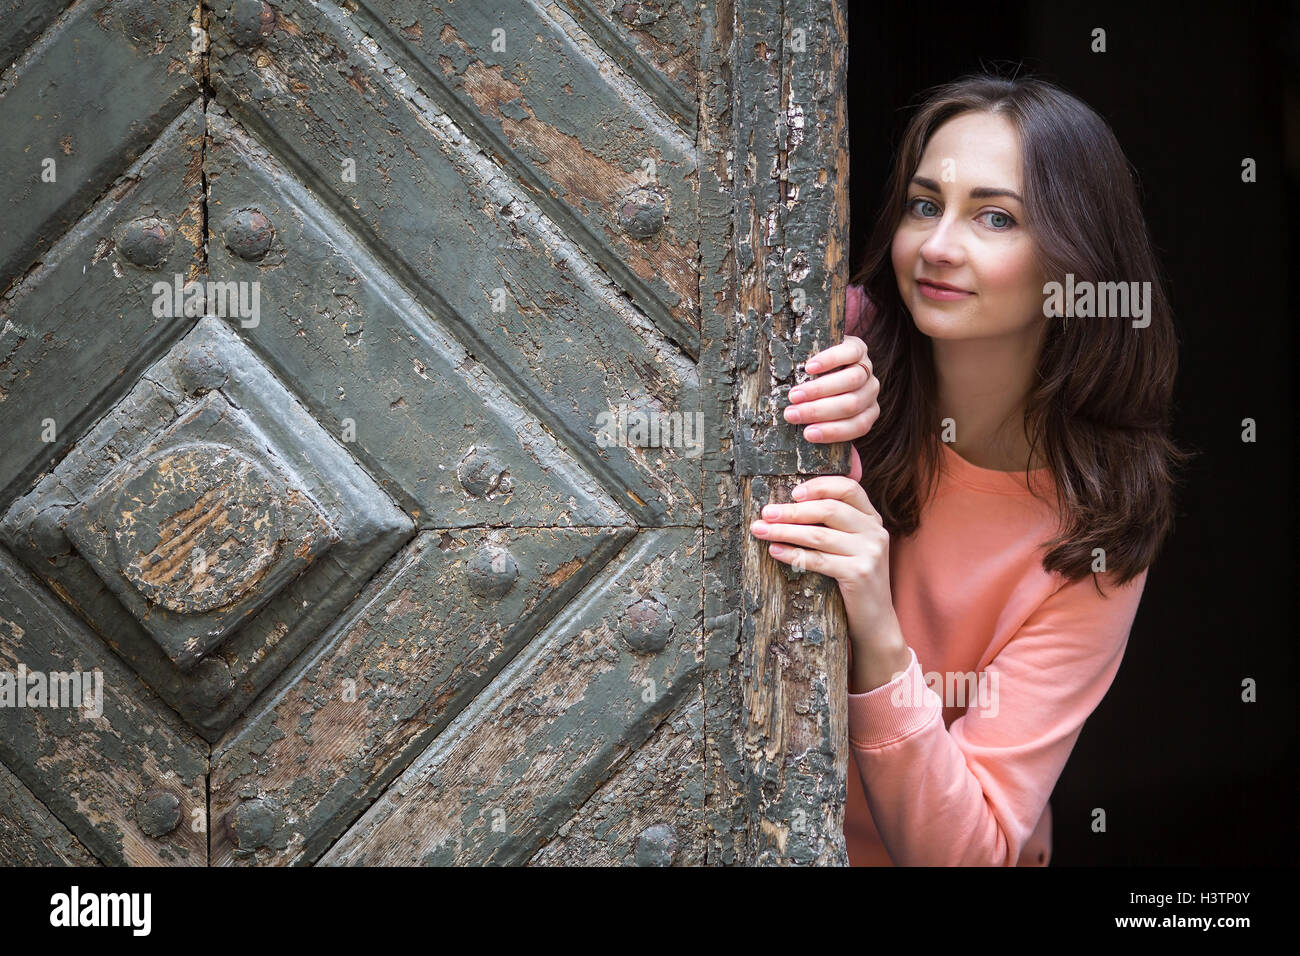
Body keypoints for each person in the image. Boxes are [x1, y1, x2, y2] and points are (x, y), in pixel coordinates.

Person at [748, 71, 1193, 865]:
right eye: (925, 205)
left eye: (995, 217)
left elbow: (971, 854)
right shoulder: (825, 340)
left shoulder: (1097, 534)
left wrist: (878, 632)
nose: (939, 247)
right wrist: (805, 408)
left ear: (1077, 261)